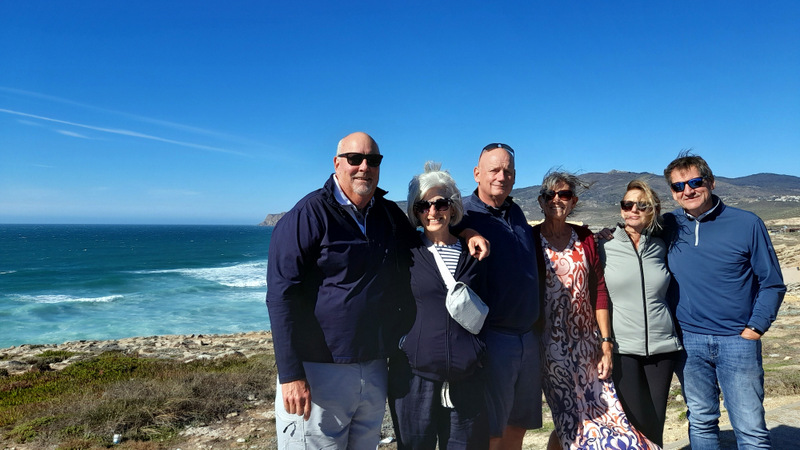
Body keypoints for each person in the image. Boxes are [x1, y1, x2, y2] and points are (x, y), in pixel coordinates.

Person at [266, 132, 489, 449]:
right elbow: (280, 296)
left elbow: (432, 233)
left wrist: (466, 230)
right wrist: (290, 375)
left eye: (373, 160)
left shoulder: (386, 215)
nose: (363, 167)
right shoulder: (308, 215)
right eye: (355, 159)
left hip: (373, 369)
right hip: (320, 371)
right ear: (337, 163)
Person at [663, 151, 785, 449]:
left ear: (711, 182)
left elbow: (772, 283)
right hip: (689, 341)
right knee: (702, 422)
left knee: (750, 427)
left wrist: (754, 329)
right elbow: (632, 234)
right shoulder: (667, 225)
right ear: (673, 193)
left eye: (694, 182)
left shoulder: (747, 223)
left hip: (737, 340)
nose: (688, 190)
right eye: (679, 186)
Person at [532, 170, 659, 450]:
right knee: (569, 419)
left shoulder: (585, 237)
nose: (556, 200)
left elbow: (600, 291)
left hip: (588, 344)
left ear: (573, 201)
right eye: (549, 195)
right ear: (541, 202)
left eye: (563, 194)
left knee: (609, 414)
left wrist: (605, 343)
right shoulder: (529, 239)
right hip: (549, 347)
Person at [389, 161, 489, 449]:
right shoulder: (406, 253)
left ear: (453, 206)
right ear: (416, 212)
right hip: (414, 379)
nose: (432, 211)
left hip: (466, 377)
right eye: (423, 206)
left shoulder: (475, 254)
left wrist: (477, 351)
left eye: (440, 203)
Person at [456, 143, 542, 450]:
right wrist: (465, 232)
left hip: (528, 338)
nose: (501, 176)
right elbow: (429, 232)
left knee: (519, 426)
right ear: (477, 173)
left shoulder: (516, 211)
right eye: (494, 169)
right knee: (491, 431)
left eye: (507, 171)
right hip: (494, 338)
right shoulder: (462, 214)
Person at [598, 179, 682, 447]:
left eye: (642, 205)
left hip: (663, 347)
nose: (633, 209)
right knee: (634, 426)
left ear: (653, 210)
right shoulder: (604, 246)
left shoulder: (661, 245)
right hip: (623, 349)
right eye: (627, 204)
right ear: (621, 209)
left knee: (656, 423)